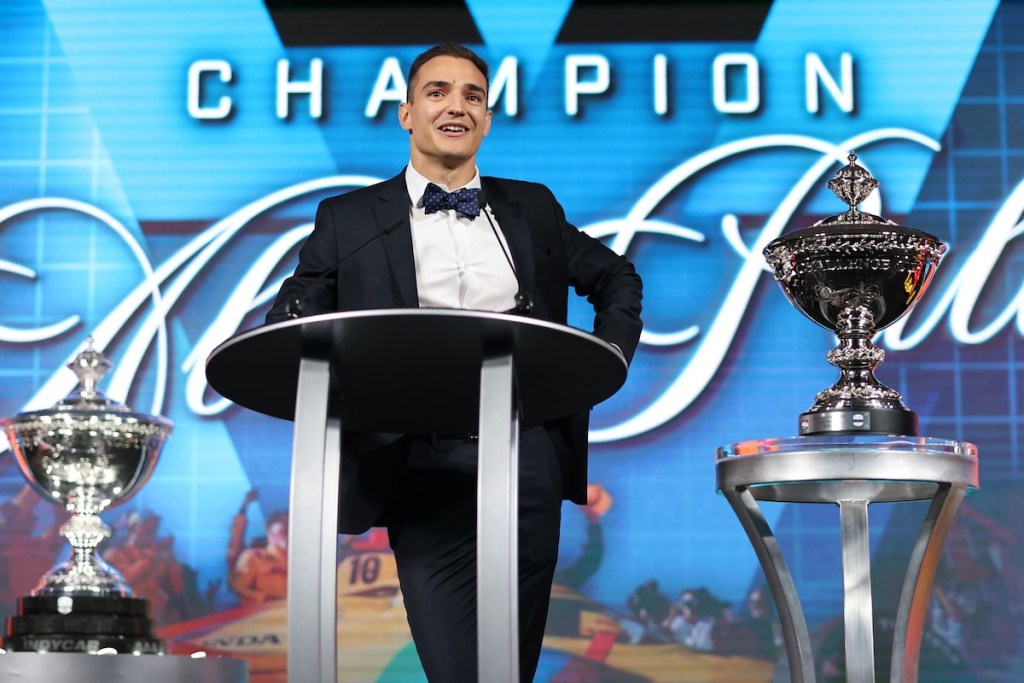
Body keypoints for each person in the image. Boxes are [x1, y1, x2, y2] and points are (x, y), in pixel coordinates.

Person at [266, 42, 643, 682]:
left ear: (487, 119)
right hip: (418, 468)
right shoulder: (350, 219)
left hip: (526, 458)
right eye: (437, 92)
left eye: (473, 96)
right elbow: (292, 317)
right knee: (454, 668)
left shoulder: (533, 208)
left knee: (509, 670)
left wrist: (603, 359)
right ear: (406, 113)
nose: (456, 106)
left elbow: (617, 278)